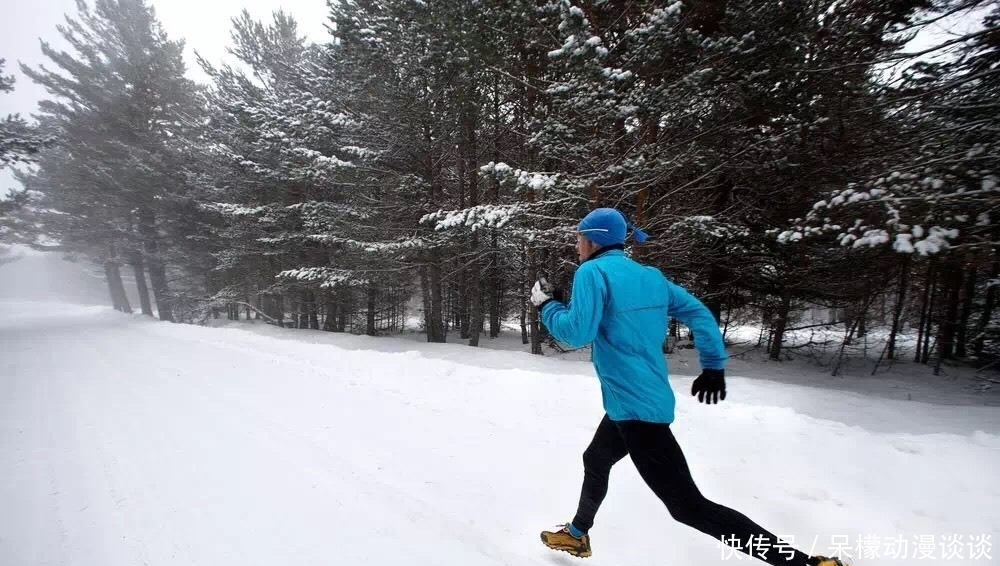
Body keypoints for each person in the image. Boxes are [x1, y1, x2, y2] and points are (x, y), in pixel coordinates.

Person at [528, 208, 850, 566]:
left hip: (637, 413)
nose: (576, 246)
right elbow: (698, 313)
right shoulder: (650, 276)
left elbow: (576, 332)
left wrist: (548, 306)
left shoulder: (592, 271)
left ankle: (807, 564)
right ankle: (577, 535)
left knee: (688, 507)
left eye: (578, 238)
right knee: (596, 458)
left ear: (593, 239)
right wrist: (712, 364)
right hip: (632, 401)